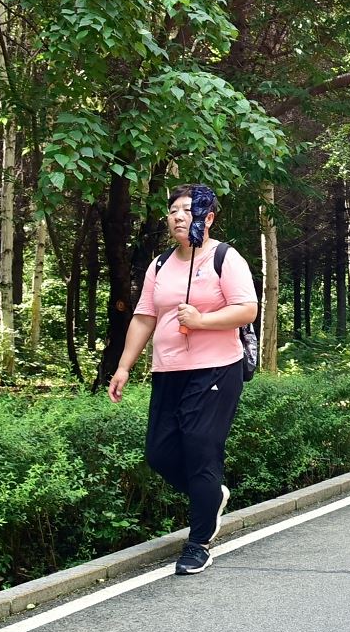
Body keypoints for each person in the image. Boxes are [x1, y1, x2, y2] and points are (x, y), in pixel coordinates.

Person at [108, 184, 258, 576]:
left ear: (207, 217)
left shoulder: (225, 258)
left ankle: (199, 541)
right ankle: (210, 496)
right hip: (168, 371)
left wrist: (203, 320)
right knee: (158, 453)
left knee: (200, 449)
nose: (177, 216)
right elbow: (143, 317)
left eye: (187, 210)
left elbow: (247, 309)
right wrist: (124, 366)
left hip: (217, 369)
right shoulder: (159, 265)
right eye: (173, 210)